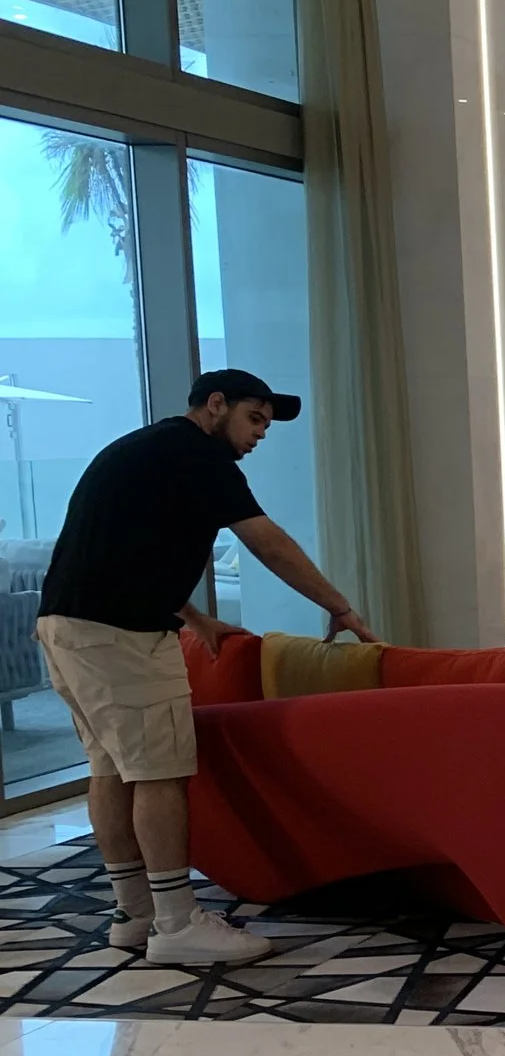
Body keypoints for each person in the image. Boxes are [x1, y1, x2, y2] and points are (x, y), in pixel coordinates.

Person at [35, 370, 377, 967]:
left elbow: (118, 550)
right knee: (159, 772)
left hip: (68, 626)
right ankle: (175, 923)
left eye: (267, 425)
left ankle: (134, 912)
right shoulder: (199, 457)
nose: (260, 434)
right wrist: (339, 607)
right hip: (121, 636)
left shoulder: (142, 449)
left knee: (113, 766)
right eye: (254, 419)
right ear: (214, 405)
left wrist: (192, 615)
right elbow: (267, 542)